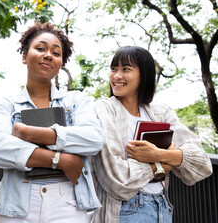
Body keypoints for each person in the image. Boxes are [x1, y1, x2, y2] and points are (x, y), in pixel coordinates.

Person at [0, 21, 105, 223]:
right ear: (24, 56)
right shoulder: (6, 104)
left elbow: (94, 139)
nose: (48, 55)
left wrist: (29, 134)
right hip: (17, 204)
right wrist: (60, 160)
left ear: (61, 63)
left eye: (56, 53)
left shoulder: (76, 101)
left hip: (69, 202)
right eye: (40, 48)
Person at [90, 46, 213, 222]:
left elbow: (202, 164)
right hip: (124, 211)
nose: (116, 76)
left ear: (144, 74)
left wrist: (159, 154)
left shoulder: (160, 112)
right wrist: (163, 166)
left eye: (126, 69)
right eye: (113, 69)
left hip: (162, 206)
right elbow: (117, 180)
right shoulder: (103, 110)